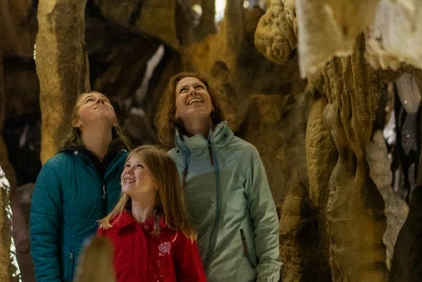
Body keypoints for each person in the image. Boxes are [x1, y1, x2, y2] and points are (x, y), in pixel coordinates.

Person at [156, 72, 282, 282]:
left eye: (199, 87)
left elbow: (264, 217)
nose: (193, 91)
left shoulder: (243, 153)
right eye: (183, 90)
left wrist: (268, 275)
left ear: (213, 105)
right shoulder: (168, 165)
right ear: (175, 112)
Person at [31, 91, 130, 282]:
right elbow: (43, 238)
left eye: (105, 99)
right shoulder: (55, 170)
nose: (100, 100)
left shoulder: (132, 167)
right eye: (89, 100)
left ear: (115, 121)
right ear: (76, 122)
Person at [97, 145, 207, 282]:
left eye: (139, 166)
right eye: (127, 165)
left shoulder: (177, 234)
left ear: (158, 181)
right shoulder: (108, 230)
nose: (128, 170)